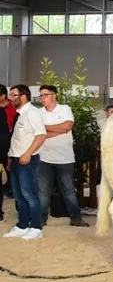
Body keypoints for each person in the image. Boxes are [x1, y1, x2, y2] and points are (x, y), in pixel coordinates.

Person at [36, 85, 89, 227]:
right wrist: (58, 129)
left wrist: (45, 128)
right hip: (43, 158)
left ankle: (76, 219)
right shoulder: (38, 112)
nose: (42, 98)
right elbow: (38, 133)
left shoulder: (65, 109)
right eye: (41, 95)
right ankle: (41, 220)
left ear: (54, 96)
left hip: (65, 158)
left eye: (45, 95)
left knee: (69, 190)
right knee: (43, 192)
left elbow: (67, 127)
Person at [4, 85, 47, 240]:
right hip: (16, 159)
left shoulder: (32, 113)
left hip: (27, 161)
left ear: (23, 96)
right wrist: (11, 157)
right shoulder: (20, 114)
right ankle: (22, 225)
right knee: (19, 195)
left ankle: (36, 227)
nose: (10, 97)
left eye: (13, 94)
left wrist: (28, 154)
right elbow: (16, 139)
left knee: (29, 194)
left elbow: (41, 135)